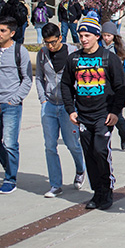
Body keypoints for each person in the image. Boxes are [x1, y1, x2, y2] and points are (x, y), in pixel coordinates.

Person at [61, 13, 125, 210]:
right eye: (81, 36)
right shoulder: (74, 59)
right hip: (83, 116)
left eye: (87, 36)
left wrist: (115, 112)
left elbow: (120, 87)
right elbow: (66, 85)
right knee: (89, 154)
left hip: (103, 116)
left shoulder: (109, 59)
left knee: (100, 151)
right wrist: (70, 110)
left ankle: (107, 190)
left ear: (97, 36)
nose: (83, 39)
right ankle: (97, 192)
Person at [0, 16, 32, 194]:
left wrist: (16, 99)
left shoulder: (20, 51)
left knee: (10, 143)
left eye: (3, 31)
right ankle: (9, 166)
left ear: (12, 33)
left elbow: (27, 78)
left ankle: (10, 179)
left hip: (11, 104)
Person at [36, 23, 86, 198]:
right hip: (49, 104)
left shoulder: (73, 53)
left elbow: (81, 79)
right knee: (50, 146)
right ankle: (55, 184)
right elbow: (39, 78)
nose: (50, 46)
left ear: (60, 38)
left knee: (72, 142)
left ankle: (81, 169)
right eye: (46, 42)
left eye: (53, 42)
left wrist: (76, 104)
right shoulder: (42, 54)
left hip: (68, 106)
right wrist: (42, 99)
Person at [101, 22, 125, 151]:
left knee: (118, 118)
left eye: (109, 35)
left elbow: (122, 72)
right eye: (104, 35)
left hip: (116, 86)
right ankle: (107, 143)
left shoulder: (118, 49)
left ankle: (124, 136)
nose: (106, 38)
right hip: (103, 86)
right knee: (105, 120)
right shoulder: (99, 47)